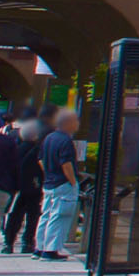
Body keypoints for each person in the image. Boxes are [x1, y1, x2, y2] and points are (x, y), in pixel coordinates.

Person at [35, 108, 81, 260]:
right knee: (59, 216)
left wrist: (49, 173)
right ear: (67, 123)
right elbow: (66, 164)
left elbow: (40, 159)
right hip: (63, 184)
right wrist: (73, 183)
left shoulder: (49, 138)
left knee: (46, 215)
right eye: (75, 121)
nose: (77, 124)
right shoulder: (65, 140)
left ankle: (39, 247)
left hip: (49, 183)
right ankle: (51, 250)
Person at [4, 116, 42, 255]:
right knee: (32, 216)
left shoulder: (17, 148)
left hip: (19, 187)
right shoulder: (37, 149)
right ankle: (28, 242)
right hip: (34, 186)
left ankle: (9, 242)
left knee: (15, 215)